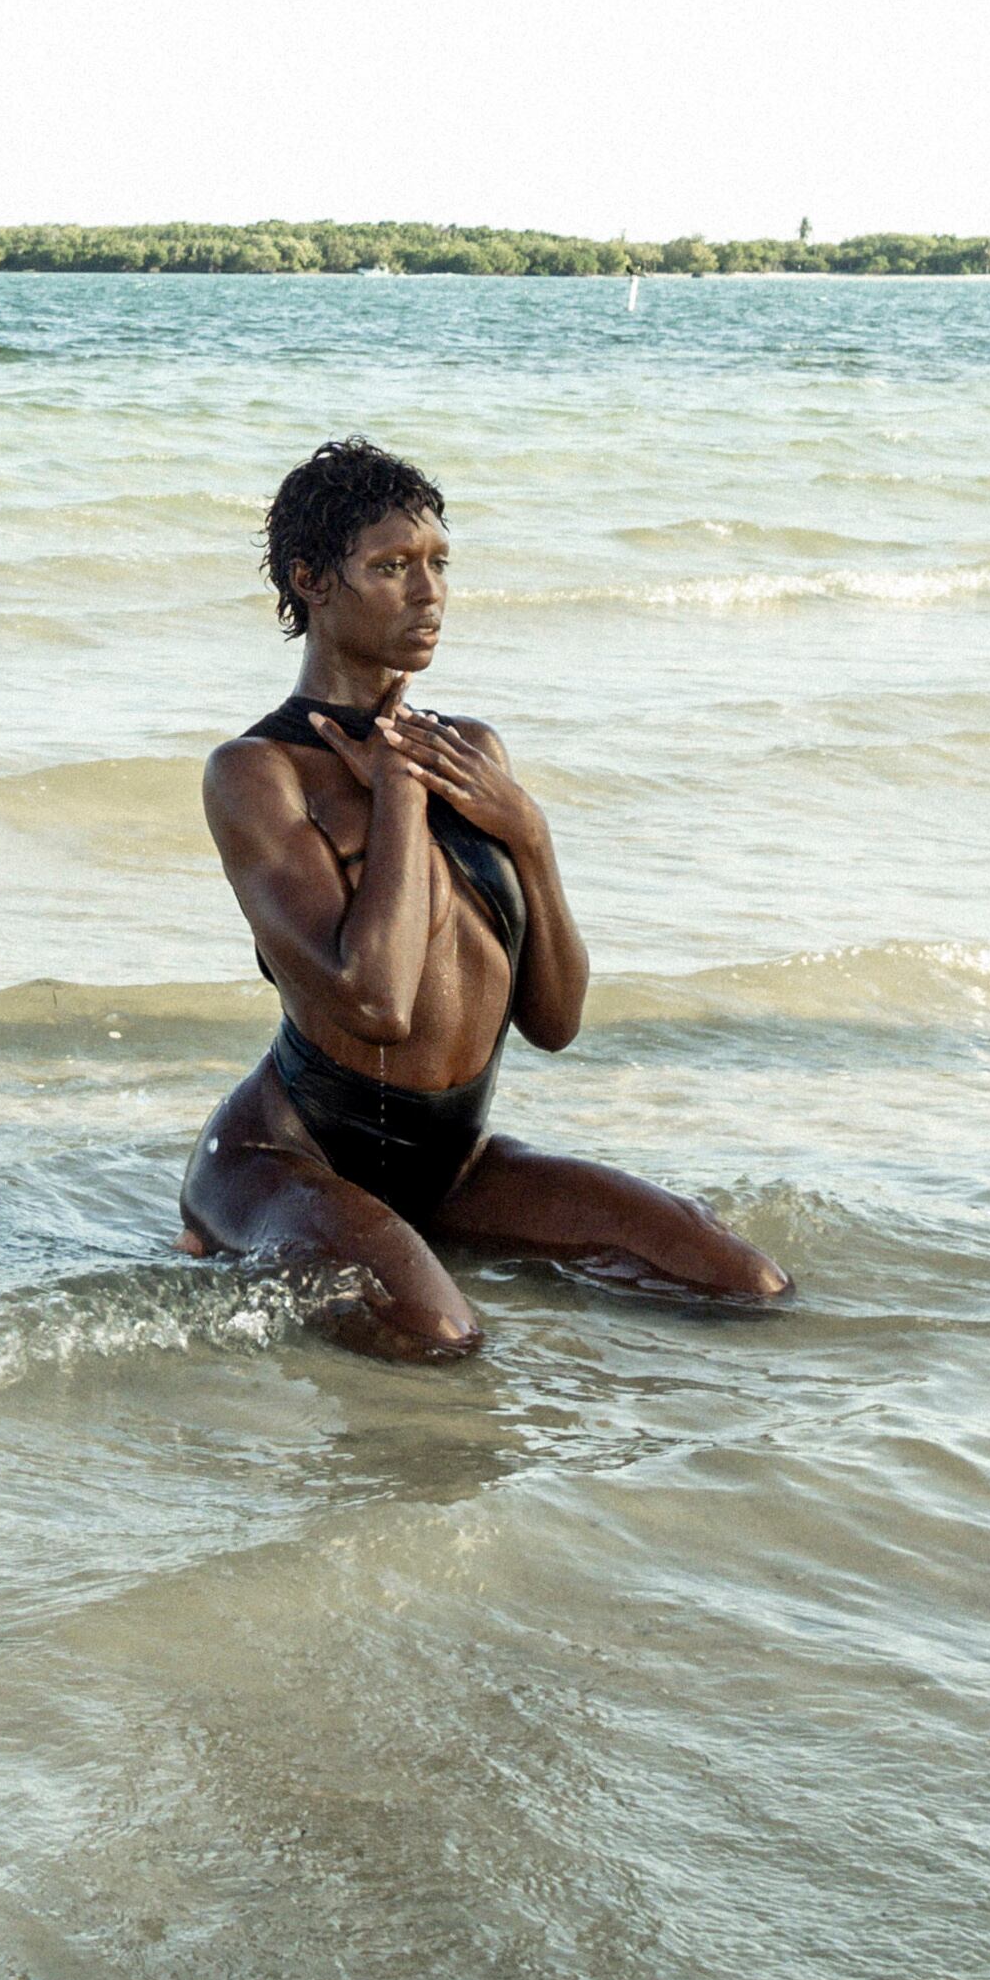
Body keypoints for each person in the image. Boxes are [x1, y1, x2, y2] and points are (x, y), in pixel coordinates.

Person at [179, 437, 790, 1359]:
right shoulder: (256, 774)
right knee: (438, 1340)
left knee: (744, 1287)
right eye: (389, 567)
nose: (428, 593)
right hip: (284, 1160)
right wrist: (396, 792)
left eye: (437, 564)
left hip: (451, 1162)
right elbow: (375, 1001)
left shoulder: (471, 752)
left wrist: (530, 834)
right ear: (310, 580)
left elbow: (556, 1020)